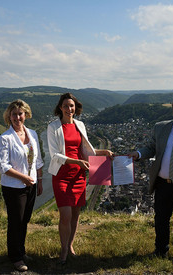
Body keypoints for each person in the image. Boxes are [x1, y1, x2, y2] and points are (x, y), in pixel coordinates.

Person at [47, 92, 113, 264]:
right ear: (60, 108)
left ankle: (70, 246)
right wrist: (76, 161)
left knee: (76, 215)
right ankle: (62, 251)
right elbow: (54, 155)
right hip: (61, 175)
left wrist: (103, 152)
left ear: (75, 108)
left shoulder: (79, 125)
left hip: (79, 176)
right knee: (65, 215)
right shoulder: (53, 127)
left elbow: (86, 150)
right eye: (66, 106)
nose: (69, 109)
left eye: (72, 106)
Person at [129, 94, 173, 264]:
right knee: (161, 218)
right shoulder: (161, 127)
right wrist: (139, 153)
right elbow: (151, 147)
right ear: (172, 108)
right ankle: (160, 250)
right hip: (163, 183)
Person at [0, 99, 44, 272]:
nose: (18, 117)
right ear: (9, 116)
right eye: (14, 114)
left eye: (20, 114)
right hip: (14, 187)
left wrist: (39, 180)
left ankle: (21, 251)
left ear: (26, 115)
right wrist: (23, 178)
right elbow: (3, 166)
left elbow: (38, 160)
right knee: (16, 221)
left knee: (25, 220)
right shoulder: (5, 138)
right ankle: (15, 257)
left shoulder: (33, 134)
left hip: (31, 184)